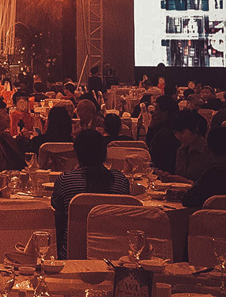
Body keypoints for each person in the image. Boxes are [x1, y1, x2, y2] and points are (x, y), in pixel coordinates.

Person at [50, 129, 131, 260]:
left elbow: (57, 211)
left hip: (72, 256)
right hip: (115, 257)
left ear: (77, 154)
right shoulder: (120, 180)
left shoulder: (66, 180)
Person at [157, 110, 211, 183]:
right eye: (175, 133)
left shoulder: (209, 151)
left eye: (182, 132)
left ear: (196, 128)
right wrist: (170, 178)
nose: (178, 137)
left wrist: (186, 182)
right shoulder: (181, 151)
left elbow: (213, 184)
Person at [146, 95, 181, 174]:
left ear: (165, 112)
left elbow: (151, 150)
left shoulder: (166, 133)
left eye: (156, 109)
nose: (153, 113)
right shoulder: (163, 127)